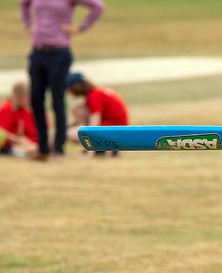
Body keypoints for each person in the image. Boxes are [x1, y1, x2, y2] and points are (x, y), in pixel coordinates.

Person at [20, 0, 106, 161]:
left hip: (59, 53)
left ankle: (58, 149)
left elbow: (98, 6)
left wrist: (80, 28)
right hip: (38, 52)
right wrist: (27, 25)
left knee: (57, 100)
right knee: (36, 100)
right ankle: (43, 147)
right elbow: (23, 4)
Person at [65, 72, 129, 156]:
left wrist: (90, 152)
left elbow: (94, 125)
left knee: (70, 134)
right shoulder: (96, 92)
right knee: (77, 107)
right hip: (115, 125)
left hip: (115, 129)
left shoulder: (94, 95)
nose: (70, 92)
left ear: (76, 86)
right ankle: (101, 148)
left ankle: (98, 148)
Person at [0, 82, 39, 158]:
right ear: (21, 96)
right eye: (27, 97)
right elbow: (2, 132)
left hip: (17, 143)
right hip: (7, 146)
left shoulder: (21, 110)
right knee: (32, 149)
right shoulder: (7, 109)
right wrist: (18, 140)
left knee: (36, 147)